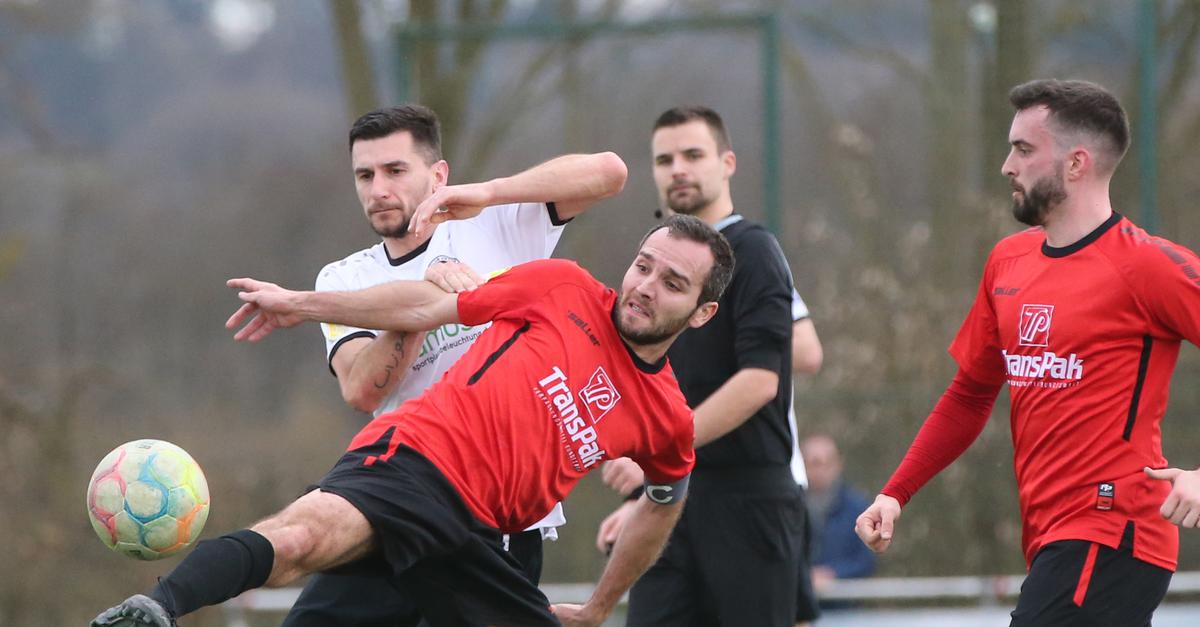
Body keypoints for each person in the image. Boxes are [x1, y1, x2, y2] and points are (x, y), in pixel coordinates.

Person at [91, 213, 735, 627]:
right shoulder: (561, 287)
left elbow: (666, 495)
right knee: (300, 541)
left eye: (673, 283)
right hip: (413, 464)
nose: (646, 285)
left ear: (701, 314)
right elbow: (429, 305)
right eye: (643, 265)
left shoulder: (667, 418)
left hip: (479, 537)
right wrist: (304, 304)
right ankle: (154, 609)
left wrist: (598, 607)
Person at [855, 79, 1200, 626]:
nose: (1006, 166)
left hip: (1113, 530)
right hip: (1051, 538)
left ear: (1076, 163)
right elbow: (969, 394)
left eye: (1023, 149)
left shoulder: (1147, 265)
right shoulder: (1007, 262)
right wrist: (896, 493)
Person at [284, 104, 619, 625]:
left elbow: (608, 174)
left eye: (396, 171)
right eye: (365, 175)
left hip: (497, 511)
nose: (378, 189)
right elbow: (362, 390)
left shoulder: (499, 226)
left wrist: (488, 193)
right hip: (394, 495)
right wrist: (421, 303)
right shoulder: (344, 278)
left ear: (438, 176)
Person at [596, 106, 819, 626]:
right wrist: (641, 493)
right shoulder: (651, 265)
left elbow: (765, 378)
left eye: (693, 155)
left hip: (748, 496)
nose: (678, 169)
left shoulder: (755, 251)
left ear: (727, 163)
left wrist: (657, 449)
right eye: (664, 159)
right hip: (671, 495)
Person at [800, 434, 875, 604]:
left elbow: (865, 560)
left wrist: (833, 574)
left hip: (844, 609)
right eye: (814, 463)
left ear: (839, 464)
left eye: (827, 463)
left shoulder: (858, 507)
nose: (820, 471)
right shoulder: (789, 507)